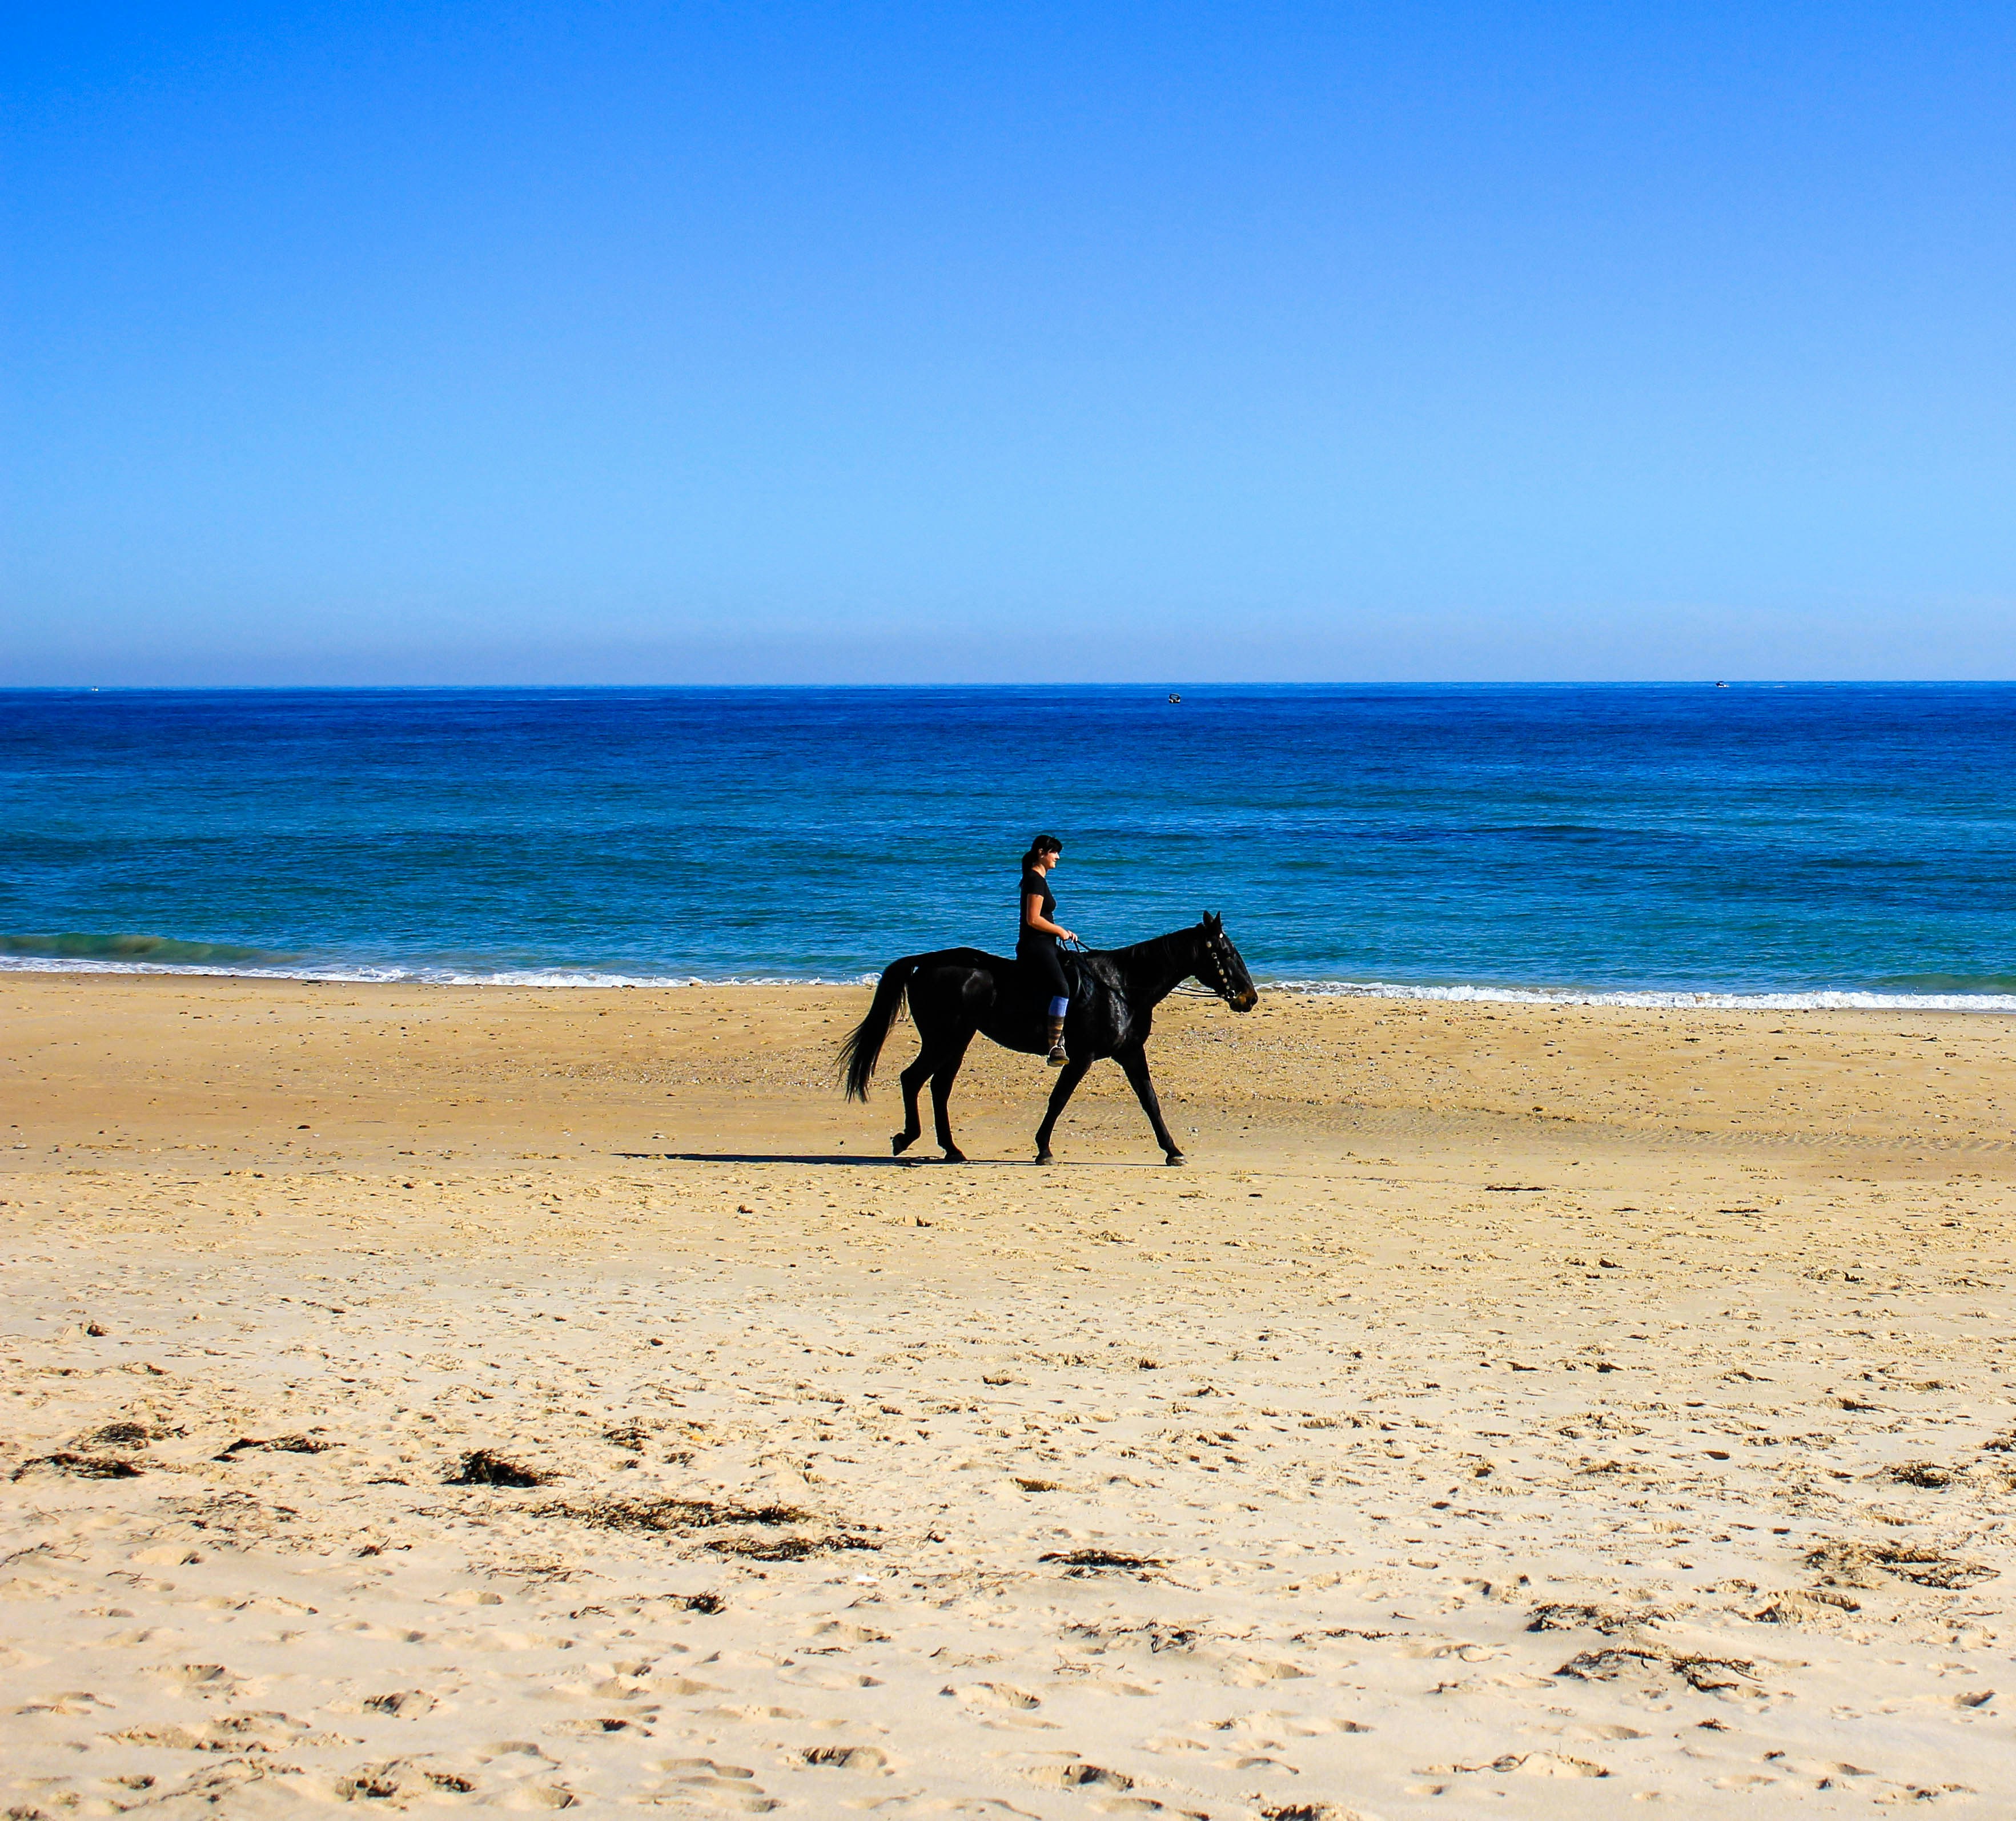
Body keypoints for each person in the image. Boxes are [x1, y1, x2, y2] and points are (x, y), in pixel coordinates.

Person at [1018, 835, 1076, 1066]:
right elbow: (1032, 919)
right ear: (1042, 853)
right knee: (1062, 988)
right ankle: (1054, 1046)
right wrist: (1060, 930)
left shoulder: (1038, 879)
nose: (1058, 857)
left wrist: (1061, 932)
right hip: (1036, 945)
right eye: (1054, 853)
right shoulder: (1035, 880)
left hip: (1046, 943)